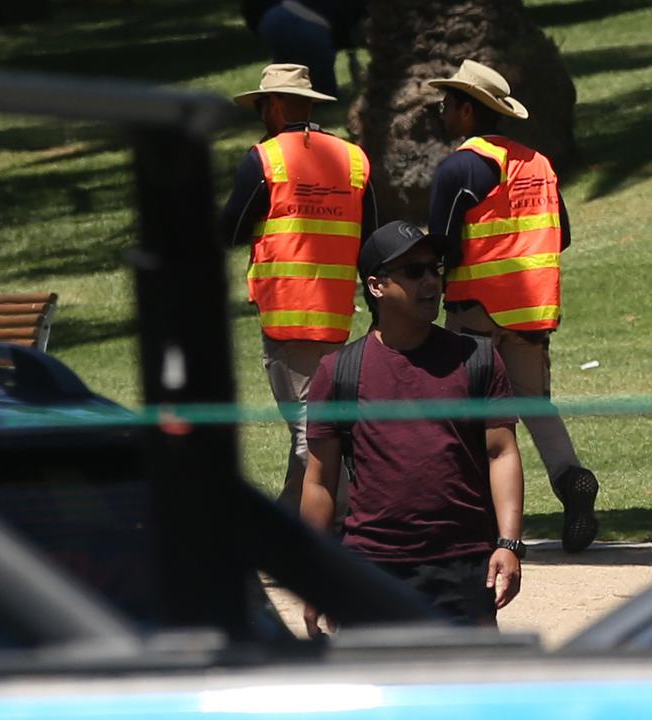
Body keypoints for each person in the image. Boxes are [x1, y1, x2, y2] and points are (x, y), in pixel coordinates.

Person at [300, 220, 525, 632]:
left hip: (462, 566)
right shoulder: (339, 372)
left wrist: (508, 544)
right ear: (376, 285)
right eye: (414, 271)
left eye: (434, 268)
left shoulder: (476, 358)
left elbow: (502, 452)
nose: (432, 282)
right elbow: (318, 481)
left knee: (468, 694)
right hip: (370, 569)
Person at [425, 59, 599, 554]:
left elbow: (443, 246)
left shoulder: (460, 166)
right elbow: (559, 234)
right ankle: (571, 479)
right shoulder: (537, 163)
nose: (440, 111)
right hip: (530, 312)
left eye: (446, 103)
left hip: (475, 310)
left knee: (477, 417)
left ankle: (491, 526)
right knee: (534, 405)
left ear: (466, 110)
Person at [221, 63, 378, 511]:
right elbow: (375, 240)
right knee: (314, 428)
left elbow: (229, 230)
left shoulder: (266, 158)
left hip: (287, 318)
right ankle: (286, 528)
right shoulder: (353, 159)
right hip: (337, 318)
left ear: (271, 106)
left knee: (312, 438)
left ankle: (356, 529)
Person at [241, 0, 369, 98]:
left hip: (270, 19)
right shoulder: (366, 9)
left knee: (287, 75)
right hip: (305, 26)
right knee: (325, 94)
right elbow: (359, 34)